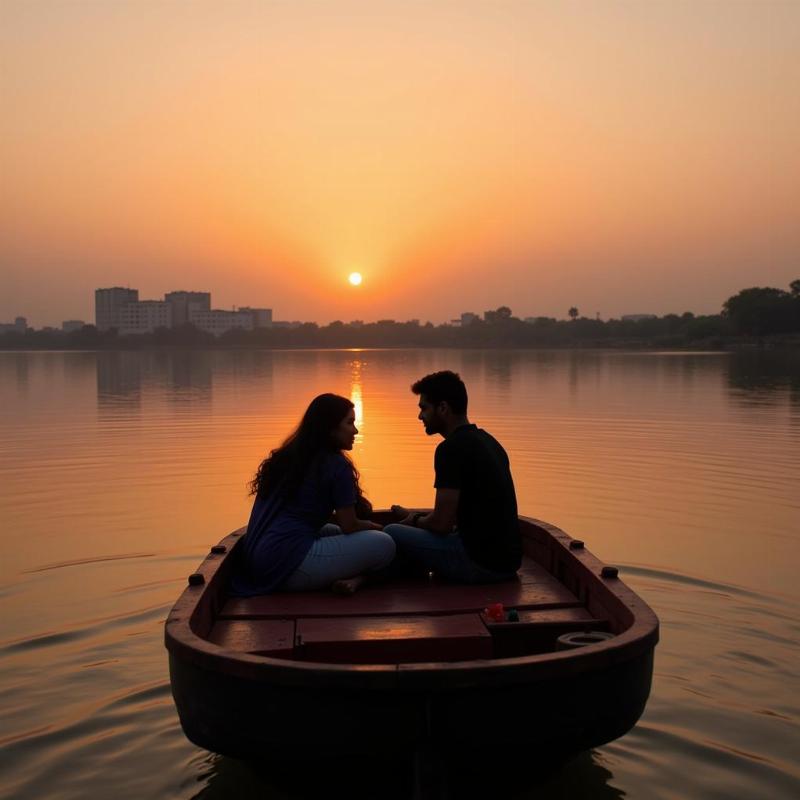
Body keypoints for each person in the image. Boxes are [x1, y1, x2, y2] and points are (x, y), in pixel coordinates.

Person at [230, 393, 395, 595]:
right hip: (286, 566)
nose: (356, 430)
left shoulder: (286, 457)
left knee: (331, 529)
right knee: (384, 543)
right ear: (330, 427)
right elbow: (350, 525)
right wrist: (374, 527)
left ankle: (356, 580)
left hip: (257, 561)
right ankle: (358, 577)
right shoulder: (335, 464)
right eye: (349, 423)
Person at [385, 370, 521, 584]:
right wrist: (416, 517)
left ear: (443, 408)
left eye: (424, 408)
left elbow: (442, 524)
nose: (420, 416)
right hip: (508, 564)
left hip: (479, 565)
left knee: (391, 532)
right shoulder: (490, 442)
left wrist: (415, 520)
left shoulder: (450, 449)